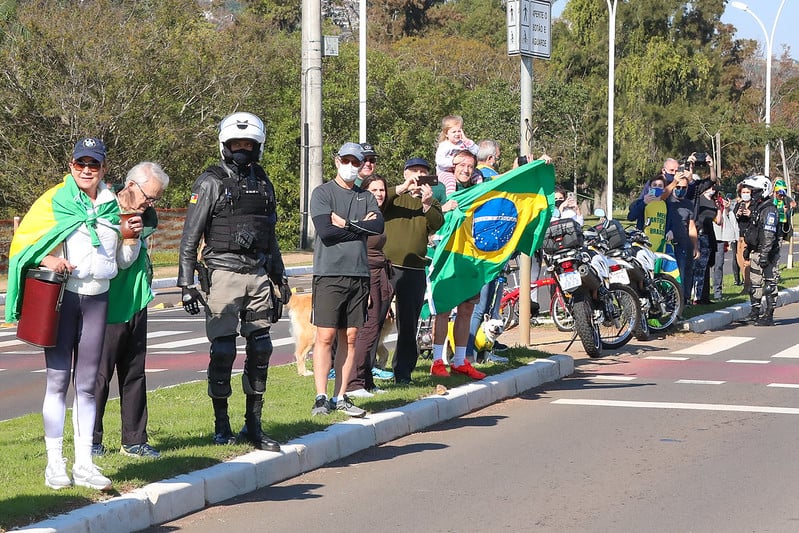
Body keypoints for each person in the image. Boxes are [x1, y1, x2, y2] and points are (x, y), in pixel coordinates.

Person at [6, 138, 140, 491]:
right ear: (70, 166)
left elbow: (120, 262)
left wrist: (132, 240)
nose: (86, 170)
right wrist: (47, 258)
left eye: (93, 165)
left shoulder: (111, 206)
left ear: (103, 169)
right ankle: (55, 464)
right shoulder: (55, 201)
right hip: (64, 299)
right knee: (57, 381)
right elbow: (26, 243)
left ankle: (85, 462)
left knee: (87, 384)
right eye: (80, 163)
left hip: (98, 300)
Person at [178, 112, 288, 452]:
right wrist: (185, 283)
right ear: (225, 146)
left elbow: (269, 234)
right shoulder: (210, 181)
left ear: (258, 147)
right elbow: (190, 235)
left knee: (261, 349)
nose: (242, 149)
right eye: (236, 144)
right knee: (223, 350)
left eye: (248, 145)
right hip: (222, 273)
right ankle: (221, 425)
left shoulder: (263, 181)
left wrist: (279, 277)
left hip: (257, 272)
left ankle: (253, 425)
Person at [92, 162, 170, 459]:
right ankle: (92, 441)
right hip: (107, 303)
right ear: (130, 185)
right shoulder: (104, 206)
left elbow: (132, 252)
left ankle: (135, 440)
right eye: (148, 196)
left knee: (134, 373)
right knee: (99, 376)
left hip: (136, 300)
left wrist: (135, 226)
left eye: (155, 199)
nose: (150, 204)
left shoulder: (146, 216)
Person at [309, 142, 384, 416]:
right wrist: (359, 229)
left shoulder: (366, 197)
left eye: (357, 162)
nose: (352, 166)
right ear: (337, 160)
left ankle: (340, 396)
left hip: (359, 273)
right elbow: (326, 232)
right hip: (329, 272)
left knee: (351, 337)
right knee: (326, 335)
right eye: (347, 161)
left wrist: (348, 224)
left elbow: (376, 227)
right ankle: (321, 396)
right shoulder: (323, 193)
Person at [383, 157, 444, 385]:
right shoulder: (393, 196)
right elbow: (378, 201)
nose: (418, 177)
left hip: (415, 269)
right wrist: (404, 188)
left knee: (408, 325)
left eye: (423, 173)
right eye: (414, 172)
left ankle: (403, 372)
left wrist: (427, 202)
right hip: (387, 267)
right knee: (375, 320)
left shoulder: (431, 201)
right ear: (405, 173)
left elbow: (437, 223)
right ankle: (365, 372)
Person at [430, 150, 487, 380]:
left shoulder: (478, 189)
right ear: (451, 166)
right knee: (443, 310)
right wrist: (442, 210)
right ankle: (437, 361)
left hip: (470, 257)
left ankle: (460, 360)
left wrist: (532, 165)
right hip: (446, 257)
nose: (465, 169)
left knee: (466, 310)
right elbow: (420, 209)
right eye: (461, 164)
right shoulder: (441, 189)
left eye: (470, 166)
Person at [345, 174, 395, 397]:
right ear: (365, 192)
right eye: (374, 190)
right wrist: (362, 286)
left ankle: (367, 380)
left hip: (381, 274)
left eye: (382, 190)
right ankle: (354, 383)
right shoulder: (362, 214)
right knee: (366, 329)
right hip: (367, 274)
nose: (379, 194)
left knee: (375, 330)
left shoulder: (378, 215)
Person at [466, 140, 509, 363]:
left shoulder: (476, 176)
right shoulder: (487, 177)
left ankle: (481, 352)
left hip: (487, 248)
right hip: (487, 250)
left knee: (483, 306)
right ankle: (471, 355)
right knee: (481, 306)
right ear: (491, 158)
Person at [740, 175, 780, 326]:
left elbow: (769, 235)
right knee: (754, 284)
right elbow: (753, 229)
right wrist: (749, 247)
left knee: (769, 284)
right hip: (755, 250)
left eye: (755, 191)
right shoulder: (757, 207)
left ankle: (769, 315)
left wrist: (764, 255)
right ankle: (755, 312)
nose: (752, 193)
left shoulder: (769, 209)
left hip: (768, 253)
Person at [665, 174, 700, 302]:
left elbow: (691, 226)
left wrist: (695, 246)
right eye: (678, 187)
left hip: (683, 243)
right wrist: (674, 182)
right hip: (668, 243)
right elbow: (662, 195)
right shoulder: (667, 200)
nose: (680, 189)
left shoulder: (688, 204)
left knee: (684, 272)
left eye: (683, 187)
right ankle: (671, 300)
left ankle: (683, 300)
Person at [690, 180, 722, 304]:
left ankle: (701, 297)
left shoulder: (713, 202)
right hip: (697, 234)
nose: (712, 189)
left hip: (708, 236)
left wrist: (719, 208)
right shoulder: (698, 199)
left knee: (703, 268)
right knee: (694, 268)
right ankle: (693, 296)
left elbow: (719, 221)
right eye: (710, 187)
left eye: (714, 188)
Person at [435, 115, 479, 196]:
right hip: (445, 171)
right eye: (454, 132)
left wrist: (466, 140)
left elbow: (476, 152)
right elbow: (439, 161)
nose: (457, 134)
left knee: (478, 177)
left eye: (459, 131)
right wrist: (452, 161)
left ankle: (478, 194)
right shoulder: (444, 146)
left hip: (460, 170)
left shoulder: (463, 143)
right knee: (451, 182)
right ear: (446, 134)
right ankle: (451, 198)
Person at [627, 176, 668, 252]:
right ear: (649, 188)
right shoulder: (641, 202)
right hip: (643, 244)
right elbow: (631, 217)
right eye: (654, 185)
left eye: (660, 186)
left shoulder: (666, 205)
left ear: (664, 189)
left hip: (660, 246)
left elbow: (670, 222)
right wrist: (644, 203)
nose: (657, 188)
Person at [734, 182, 755, 292]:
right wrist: (737, 214)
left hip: (750, 236)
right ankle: (747, 283)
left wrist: (750, 214)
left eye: (747, 192)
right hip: (739, 236)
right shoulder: (739, 204)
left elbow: (758, 219)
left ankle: (748, 286)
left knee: (747, 261)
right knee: (740, 261)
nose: (745, 194)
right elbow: (733, 219)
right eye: (743, 192)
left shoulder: (754, 205)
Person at [773, 179, 795, 244]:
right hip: (772, 229)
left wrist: (791, 208)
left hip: (782, 229)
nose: (782, 197)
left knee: (778, 247)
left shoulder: (786, 200)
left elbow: (790, 214)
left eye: (783, 195)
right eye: (780, 195)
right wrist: (781, 210)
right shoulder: (771, 200)